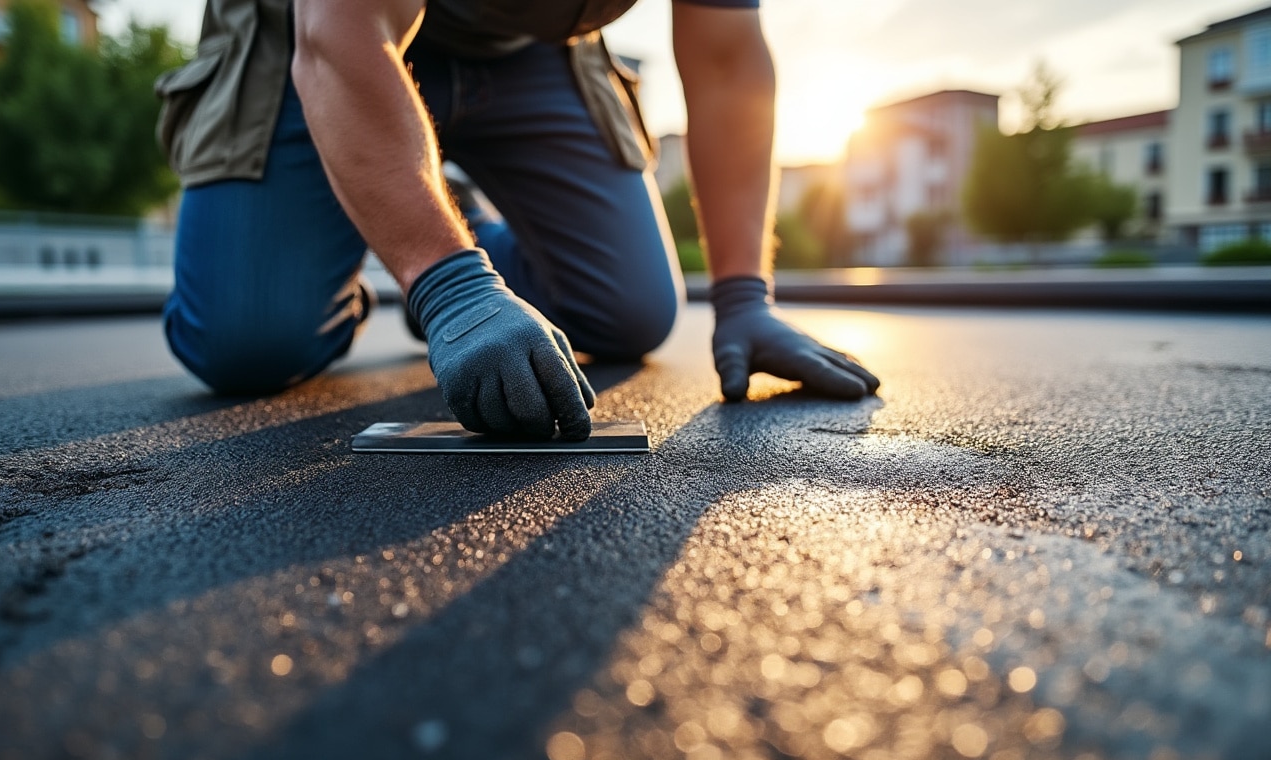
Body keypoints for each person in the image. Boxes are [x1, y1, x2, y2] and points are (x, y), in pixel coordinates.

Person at [155, 0, 880, 440]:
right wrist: (447, 289)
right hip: (316, 32)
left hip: (530, 50)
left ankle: (462, 232)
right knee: (244, 343)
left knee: (629, 314)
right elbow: (339, 32)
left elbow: (726, 62)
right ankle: (417, 248)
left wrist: (744, 297)